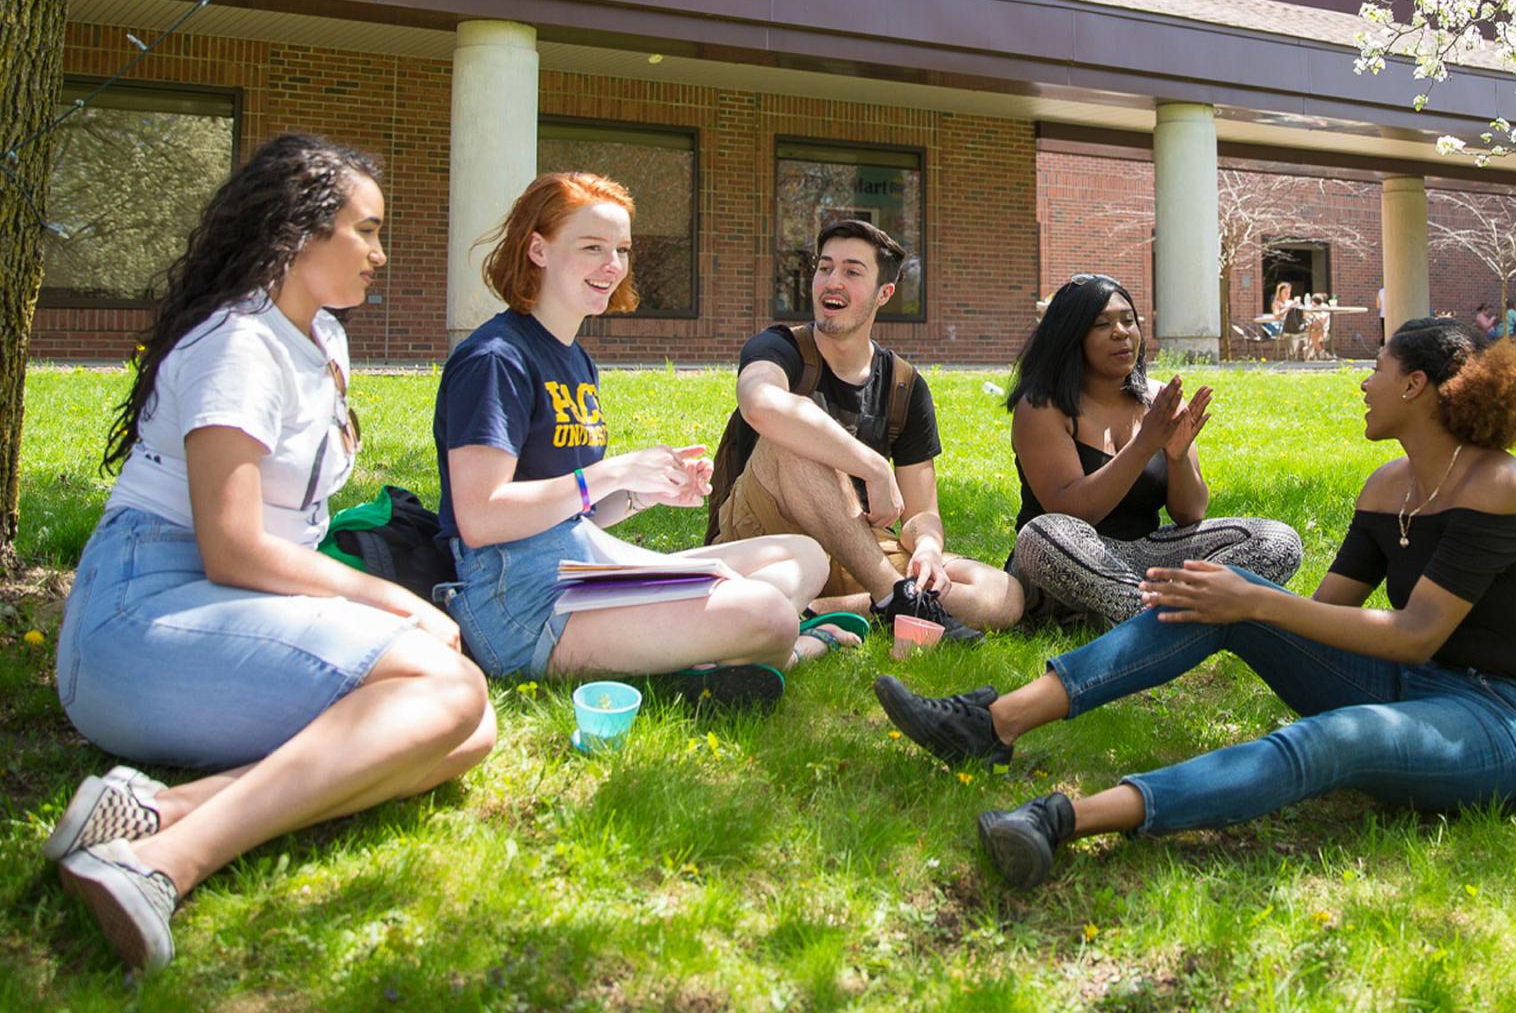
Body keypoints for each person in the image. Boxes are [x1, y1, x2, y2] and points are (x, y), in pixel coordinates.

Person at [875, 319, 1516, 890]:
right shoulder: (1388, 486)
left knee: (1327, 738)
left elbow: (1414, 633)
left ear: (1414, 385)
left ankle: (1059, 819)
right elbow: (1323, 613)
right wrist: (1240, 602)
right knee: (1221, 598)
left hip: (1496, 717)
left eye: (1376, 368)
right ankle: (990, 723)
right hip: (1402, 685)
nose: (1363, 381)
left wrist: (1256, 604)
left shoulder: (1495, 482)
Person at [47, 135, 496, 973]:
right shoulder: (238, 344)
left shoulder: (320, 336)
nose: (380, 253)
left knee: (465, 726)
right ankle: (158, 865)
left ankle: (152, 812)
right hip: (138, 617)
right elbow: (233, 546)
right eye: (365, 231)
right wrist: (395, 602)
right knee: (441, 693)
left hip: (234, 607)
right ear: (298, 233)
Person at [434, 171, 848, 710]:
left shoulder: (575, 359)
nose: (612, 265)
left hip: (582, 565)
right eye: (591, 248)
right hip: (521, 605)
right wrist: (614, 471)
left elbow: (569, 516)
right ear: (538, 249)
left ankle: (705, 654)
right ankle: (783, 646)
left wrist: (644, 494)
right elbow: (482, 518)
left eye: (622, 250)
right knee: (767, 613)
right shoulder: (495, 360)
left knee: (803, 555)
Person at [709, 218, 1023, 639]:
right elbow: (761, 405)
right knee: (796, 432)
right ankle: (897, 601)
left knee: (1000, 594)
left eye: (852, 272)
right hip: (764, 535)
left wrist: (928, 547)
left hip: (852, 543)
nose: (831, 282)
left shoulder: (903, 385)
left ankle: (815, 609)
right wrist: (874, 467)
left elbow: (921, 511)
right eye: (825, 268)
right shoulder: (778, 347)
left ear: (884, 294)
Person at [1004, 275, 1302, 627]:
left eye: (1128, 320)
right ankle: (1161, 616)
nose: (1121, 332)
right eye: (1102, 324)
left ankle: (1134, 612)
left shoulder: (1158, 399)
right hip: (1068, 558)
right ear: (1071, 336)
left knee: (1276, 541)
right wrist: (1144, 444)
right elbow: (1071, 511)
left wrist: (1176, 458)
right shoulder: (1042, 406)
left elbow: (1190, 513)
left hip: (1145, 554)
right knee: (1042, 534)